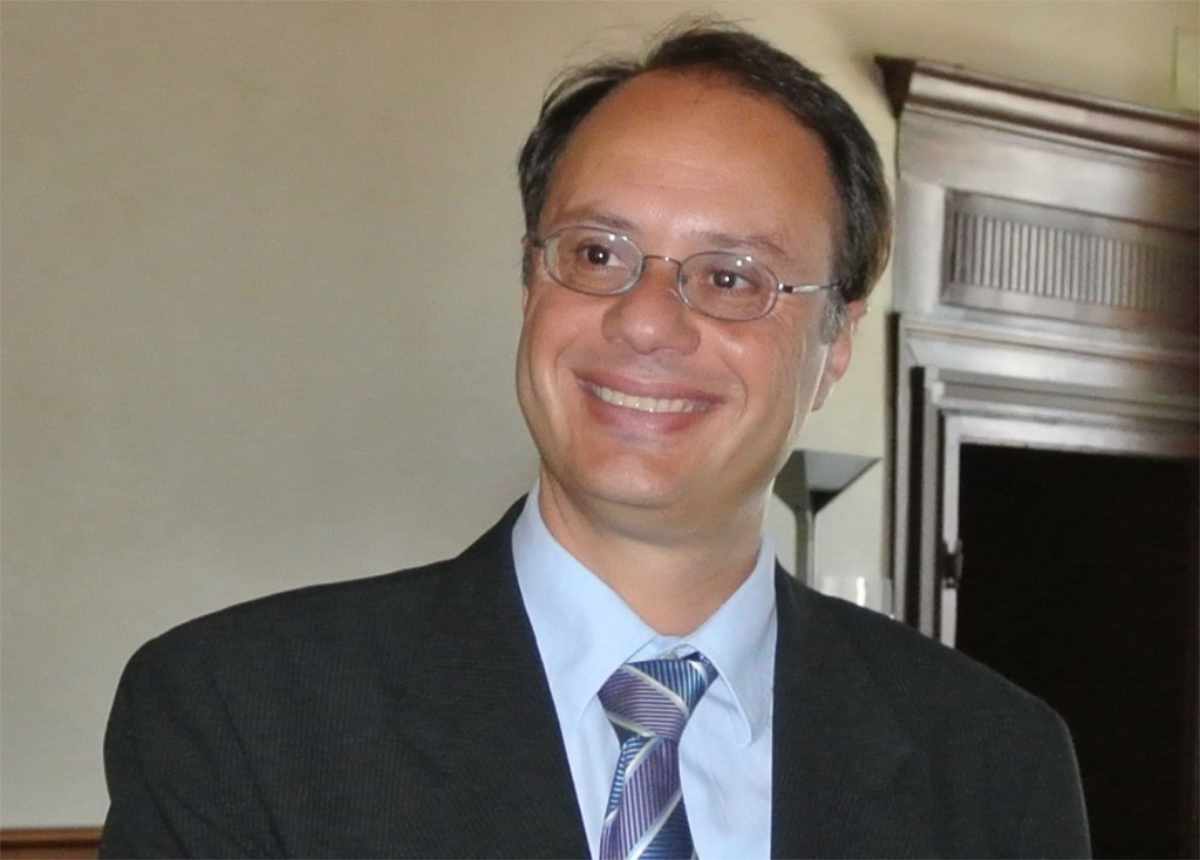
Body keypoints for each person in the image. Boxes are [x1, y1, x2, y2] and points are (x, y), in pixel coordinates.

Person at [99, 21, 1090, 859]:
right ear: (531, 281)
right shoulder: (244, 716)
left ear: (835, 344)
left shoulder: (994, 764)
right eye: (597, 252)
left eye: (732, 277)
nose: (646, 320)